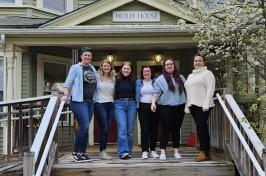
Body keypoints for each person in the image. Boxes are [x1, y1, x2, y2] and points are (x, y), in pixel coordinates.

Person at [60, 47, 98, 163]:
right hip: (78, 101)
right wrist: (66, 95)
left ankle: (82, 152)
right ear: (81, 56)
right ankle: (76, 152)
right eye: (85, 55)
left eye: (89, 56)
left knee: (84, 127)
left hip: (90, 102)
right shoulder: (75, 68)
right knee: (85, 126)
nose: (87, 57)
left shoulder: (92, 69)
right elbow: (67, 83)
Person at [151, 58, 186, 160]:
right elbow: (156, 93)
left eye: (171, 64)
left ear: (174, 66)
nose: (169, 66)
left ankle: (176, 152)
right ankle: (163, 152)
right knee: (165, 129)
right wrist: (153, 103)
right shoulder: (160, 79)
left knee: (176, 129)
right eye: (167, 65)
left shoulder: (181, 78)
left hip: (179, 106)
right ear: (164, 67)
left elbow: (188, 88)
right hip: (165, 107)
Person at [184, 54, 215, 162]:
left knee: (201, 128)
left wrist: (206, 103)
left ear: (203, 62)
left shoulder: (208, 74)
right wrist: (187, 105)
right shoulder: (191, 75)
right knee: (203, 128)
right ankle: (207, 152)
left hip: (203, 105)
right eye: (196, 61)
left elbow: (211, 89)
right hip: (193, 105)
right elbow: (189, 91)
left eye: (200, 61)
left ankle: (202, 152)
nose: (197, 63)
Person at [114, 62, 137, 159]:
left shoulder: (134, 80)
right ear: (121, 69)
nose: (126, 70)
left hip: (132, 104)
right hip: (119, 104)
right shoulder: (116, 79)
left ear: (131, 70)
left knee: (130, 130)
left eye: (128, 69)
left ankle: (129, 151)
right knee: (122, 128)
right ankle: (123, 152)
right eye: (124, 68)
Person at [136, 65, 159, 159]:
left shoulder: (156, 81)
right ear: (142, 73)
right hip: (142, 107)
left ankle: (153, 150)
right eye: (144, 71)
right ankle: (145, 151)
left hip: (154, 107)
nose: (146, 73)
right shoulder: (138, 82)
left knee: (154, 130)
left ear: (151, 72)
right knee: (145, 130)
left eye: (148, 71)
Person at [94, 59, 116, 160]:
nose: (106, 67)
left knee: (106, 129)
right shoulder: (97, 77)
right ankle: (102, 152)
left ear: (111, 67)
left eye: (108, 66)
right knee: (104, 128)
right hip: (100, 104)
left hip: (110, 104)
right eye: (104, 66)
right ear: (101, 67)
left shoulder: (113, 79)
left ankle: (103, 152)